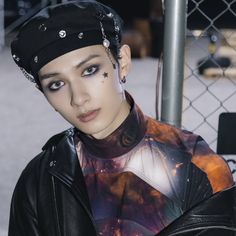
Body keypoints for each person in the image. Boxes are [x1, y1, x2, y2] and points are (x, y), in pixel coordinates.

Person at [8, 1, 235, 235]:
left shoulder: (197, 167)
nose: (78, 98)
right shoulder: (40, 180)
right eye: (56, 84)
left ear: (122, 62)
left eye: (89, 70)